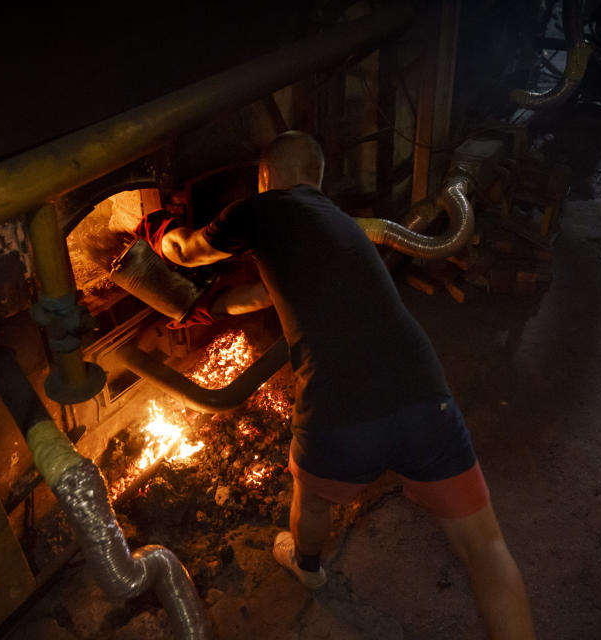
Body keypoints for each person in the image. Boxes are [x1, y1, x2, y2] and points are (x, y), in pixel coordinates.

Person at [140, 131, 535, 639]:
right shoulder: (338, 224)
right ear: (318, 179)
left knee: (311, 499)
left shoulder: (259, 209)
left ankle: (306, 565)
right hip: (421, 392)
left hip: (338, 409)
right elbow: (265, 293)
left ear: (265, 177)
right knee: (486, 549)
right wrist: (211, 307)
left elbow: (185, 252)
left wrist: (157, 229)